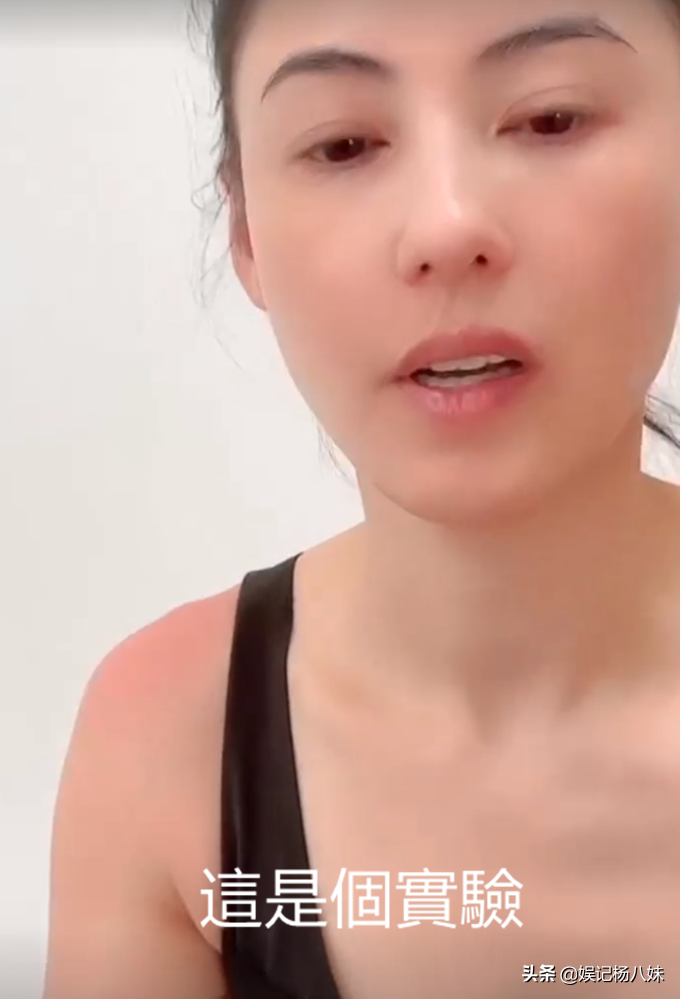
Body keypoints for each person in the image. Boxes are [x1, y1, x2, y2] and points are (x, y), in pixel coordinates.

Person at [42, 0, 680, 996]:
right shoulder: (169, 747)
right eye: (343, 145)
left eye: (550, 119)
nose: (446, 227)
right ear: (247, 233)